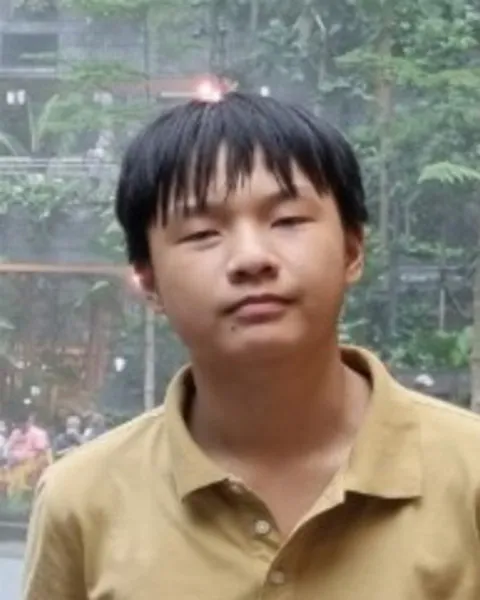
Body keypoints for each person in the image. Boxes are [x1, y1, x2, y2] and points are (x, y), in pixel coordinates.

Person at [23, 93, 480, 599]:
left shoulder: (469, 474)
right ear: (148, 280)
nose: (251, 258)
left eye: (288, 221)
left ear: (352, 249)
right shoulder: (83, 501)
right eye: (202, 232)